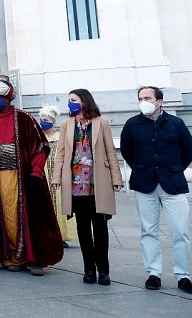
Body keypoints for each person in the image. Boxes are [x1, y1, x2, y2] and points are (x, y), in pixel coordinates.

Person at [0, 75, 63, 275]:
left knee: (30, 217)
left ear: (8, 98)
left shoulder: (24, 119)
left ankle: (34, 259)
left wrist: (36, 172)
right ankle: (12, 257)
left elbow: (40, 148)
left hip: (23, 178)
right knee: (5, 218)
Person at [120, 86, 192, 295]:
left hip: (173, 184)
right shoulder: (132, 124)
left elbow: (189, 150)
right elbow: (128, 152)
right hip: (144, 184)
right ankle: (153, 274)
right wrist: (142, 168)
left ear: (160, 101)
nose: (143, 101)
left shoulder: (176, 123)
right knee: (148, 231)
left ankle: (183, 276)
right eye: (140, 98)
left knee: (180, 231)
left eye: (147, 97)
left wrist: (173, 169)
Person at [51, 90, 123, 286]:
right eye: (69, 101)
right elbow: (61, 154)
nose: (70, 104)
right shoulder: (67, 125)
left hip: (97, 182)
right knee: (83, 228)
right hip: (75, 184)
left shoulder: (101, 122)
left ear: (84, 101)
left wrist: (116, 178)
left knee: (100, 228)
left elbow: (110, 152)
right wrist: (56, 177)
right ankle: (89, 269)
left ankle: (104, 271)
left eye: (73, 100)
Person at [38, 104, 77, 248]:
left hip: (58, 175)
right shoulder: (38, 137)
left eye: (46, 119)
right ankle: (46, 234)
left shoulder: (61, 136)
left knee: (60, 205)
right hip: (43, 174)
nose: (43, 121)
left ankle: (60, 235)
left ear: (53, 121)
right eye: (41, 119)